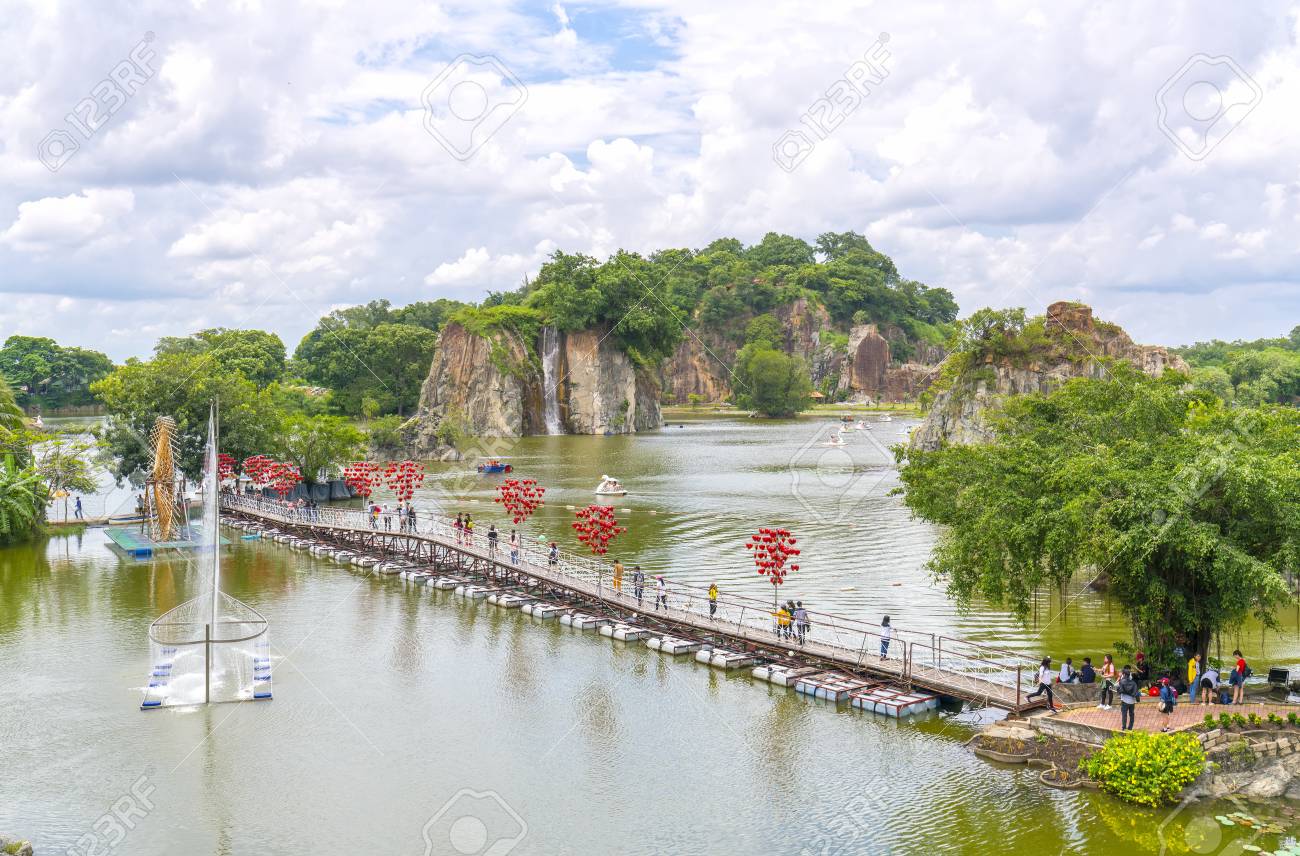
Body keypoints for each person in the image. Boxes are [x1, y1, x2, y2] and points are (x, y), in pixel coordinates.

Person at [1116, 666, 1139, 730]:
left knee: (1124, 715)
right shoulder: (1134, 683)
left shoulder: (1121, 682)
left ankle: (1124, 728)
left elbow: (1120, 691)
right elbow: (1136, 692)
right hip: (1132, 702)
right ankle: (1130, 728)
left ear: (1124, 674)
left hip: (1125, 701)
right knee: (1131, 715)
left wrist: (1118, 688)